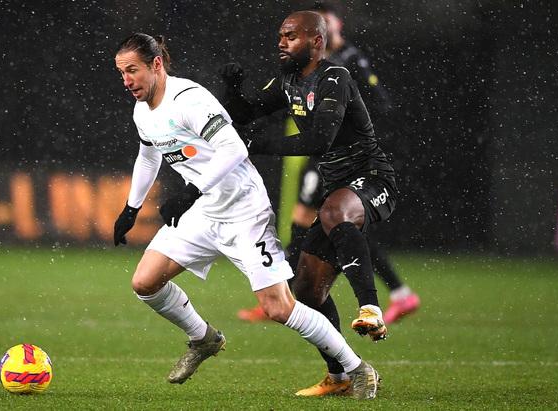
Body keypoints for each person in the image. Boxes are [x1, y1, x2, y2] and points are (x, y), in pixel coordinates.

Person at [113, 33, 380, 399]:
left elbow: (234, 148)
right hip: (202, 212)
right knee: (144, 283)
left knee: (278, 308)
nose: (126, 80)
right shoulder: (142, 110)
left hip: (243, 211)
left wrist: (190, 191)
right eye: (121, 73)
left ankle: (357, 368)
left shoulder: (188, 99)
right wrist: (131, 208)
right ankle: (203, 339)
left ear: (156, 64)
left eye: (132, 70)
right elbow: (148, 156)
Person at [219, 10, 395, 396]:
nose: (281, 42)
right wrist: (232, 88)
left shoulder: (335, 77)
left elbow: (319, 140)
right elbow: (244, 114)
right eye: (281, 35)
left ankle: (371, 308)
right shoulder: (288, 81)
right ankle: (341, 376)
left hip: (372, 177)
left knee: (332, 211)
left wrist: (257, 144)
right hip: (336, 188)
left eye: (291, 36)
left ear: (316, 42)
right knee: (307, 290)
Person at [237, 0, 419, 326]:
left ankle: (293, 297)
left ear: (332, 29)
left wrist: (346, 120)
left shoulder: (346, 63)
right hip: (325, 159)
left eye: (323, 23)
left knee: (332, 218)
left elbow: (381, 104)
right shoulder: (300, 72)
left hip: (350, 159)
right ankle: (293, 297)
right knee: (327, 225)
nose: (287, 42)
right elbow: (263, 107)